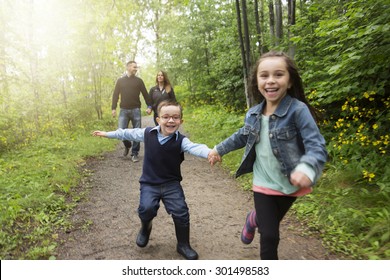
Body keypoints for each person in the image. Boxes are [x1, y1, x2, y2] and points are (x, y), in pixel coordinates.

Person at [208, 51, 327, 260]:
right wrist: (218, 149)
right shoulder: (253, 113)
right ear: (257, 81)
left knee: (266, 222)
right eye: (264, 75)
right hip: (263, 181)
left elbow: (316, 144)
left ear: (289, 82)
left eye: (278, 74)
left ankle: (253, 219)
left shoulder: (298, 111)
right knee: (270, 236)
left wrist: (307, 168)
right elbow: (241, 136)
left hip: (291, 183)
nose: (271, 80)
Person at [93, 100, 213, 260]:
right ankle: (145, 227)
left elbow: (196, 147)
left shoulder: (181, 140)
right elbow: (127, 133)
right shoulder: (148, 134)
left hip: (171, 184)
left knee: (181, 212)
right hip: (149, 183)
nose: (171, 120)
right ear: (158, 119)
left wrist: (210, 152)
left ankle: (183, 244)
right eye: (166, 117)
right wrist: (107, 133)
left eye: (175, 117)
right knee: (146, 208)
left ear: (181, 121)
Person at [111, 60, 152, 162]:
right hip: (123, 110)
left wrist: (149, 106)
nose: (136, 69)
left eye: (136, 67)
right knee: (121, 131)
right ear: (128, 67)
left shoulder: (139, 81)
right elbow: (115, 95)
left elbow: (145, 94)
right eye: (134, 67)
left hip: (136, 110)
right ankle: (127, 145)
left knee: (137, 132)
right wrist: (113, 108)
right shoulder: (120, 81)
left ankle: (135, 153)